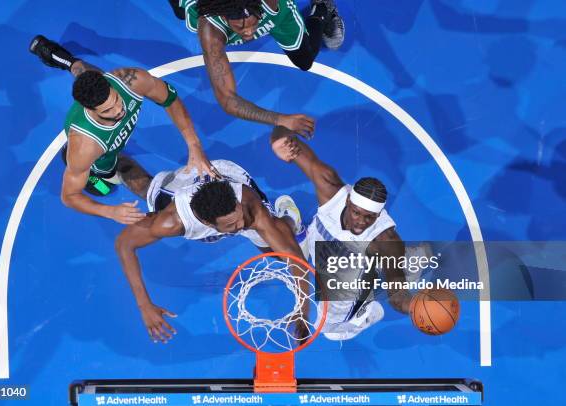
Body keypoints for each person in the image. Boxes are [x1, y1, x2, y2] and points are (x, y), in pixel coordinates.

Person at [115, 159, 307, 343]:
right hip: (182, 186)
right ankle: (113, 160)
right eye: (231, 225)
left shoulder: (249, 209)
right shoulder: (170, 223)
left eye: (238, 217)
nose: (241, 225)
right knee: (146, 189)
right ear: (207, 223)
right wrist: (144, 306)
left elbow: (295, 258)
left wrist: (302, 311)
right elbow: (124, 244)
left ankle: (289, 216)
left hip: (224, 173)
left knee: (277, 249)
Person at [29, 35, 215, 224]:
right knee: (106, 187)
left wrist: (194, 145)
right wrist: (109, 212)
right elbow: (69, 196)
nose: (120, 110)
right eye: (108, 110)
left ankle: (62, 58)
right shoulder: (85, 147)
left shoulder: (130, 80)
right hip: (100, 159)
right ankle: (89, 172)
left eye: (116, 99)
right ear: (90, 110)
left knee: (83, 71)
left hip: (105, 123)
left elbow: (170, 99)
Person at [270, 126, 412, 340]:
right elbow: (283, 136)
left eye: (369, 218)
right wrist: (279, 139)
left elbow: (397, 293)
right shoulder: (329, 187)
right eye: (357, 213)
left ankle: (365, 314)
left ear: (379, 215)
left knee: (329, 330)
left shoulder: (386, 241)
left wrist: (414, 307)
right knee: (279, 249)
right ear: (347, 200)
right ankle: (296, 225)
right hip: (316, 241)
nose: (361, 223)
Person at [170, 0, 345, 138]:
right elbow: (227, 99)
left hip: (274, 16)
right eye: (240, 27)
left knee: (305, 59)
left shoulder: (271, 3)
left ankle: (321, 9)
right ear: (224, 18)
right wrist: (280, 119)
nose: (249, 33)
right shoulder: (210, 30)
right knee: (180, 11)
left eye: (253, 23)